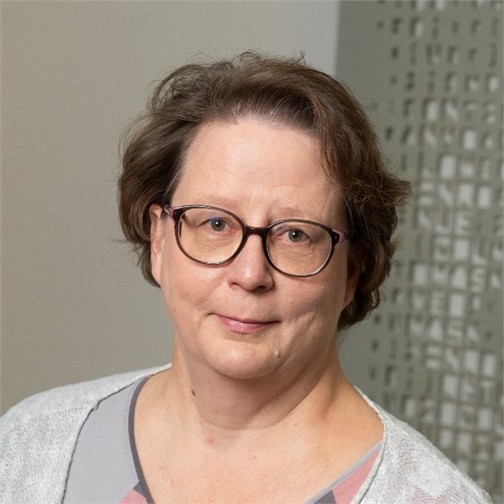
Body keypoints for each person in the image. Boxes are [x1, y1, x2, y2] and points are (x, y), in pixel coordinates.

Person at [0, 52, 491, 504]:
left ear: (352, 271)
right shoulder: (31, 444)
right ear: (160, 240)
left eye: (295, 234)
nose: (251, 273)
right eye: (216, 223)